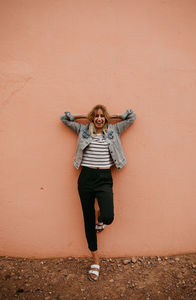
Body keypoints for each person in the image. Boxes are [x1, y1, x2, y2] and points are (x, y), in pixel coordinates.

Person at [60, 104, 136, 281]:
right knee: (87, 220)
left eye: (102, 116)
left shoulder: (115, 129)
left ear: (106, 118)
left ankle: (100, 218)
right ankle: (95, 260)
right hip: (86, 177)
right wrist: (82, 116)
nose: (99, 119)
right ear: (92, 118)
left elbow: (132, 117)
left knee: (108, 216)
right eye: (96, 116)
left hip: (104, 178)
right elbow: (64, 119)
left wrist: (115, 116)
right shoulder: (83, 129)